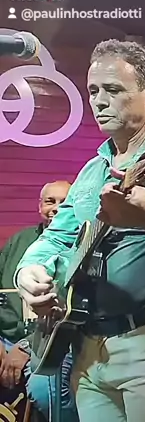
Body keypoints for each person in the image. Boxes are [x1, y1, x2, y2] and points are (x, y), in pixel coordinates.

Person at [14, 39, 145, 422]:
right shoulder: (92, 170)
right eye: (93, 90)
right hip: (85, 343)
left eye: (112, 90)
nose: (99, 101)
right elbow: (56, 237)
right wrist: (30, 271)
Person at [0, 180, 77, 421]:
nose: (56, 208)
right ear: (39, 206)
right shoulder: (18, 241)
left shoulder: (82, 244)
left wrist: (25, 346)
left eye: (64, 202)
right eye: (50, 201)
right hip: (5, 337)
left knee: (44, 392)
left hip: (51, 341)